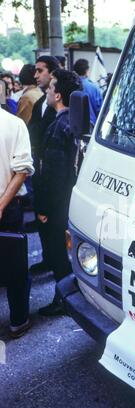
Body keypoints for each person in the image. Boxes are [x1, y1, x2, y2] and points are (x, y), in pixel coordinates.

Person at [35, 69, 82, 316]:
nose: (47, 91)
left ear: (59, 95)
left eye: (51, 87)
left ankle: (64, 300)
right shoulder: (75, 122)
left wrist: (43, 209)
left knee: (58, 257)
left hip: (56, 205)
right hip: (68, 201)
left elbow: (52, 175)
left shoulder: (58, 127)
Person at [0, 106, 34, 338]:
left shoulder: (13, 123)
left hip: (7, 206)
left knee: (15, 265)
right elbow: (21, 171)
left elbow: (22, 170)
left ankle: (18, 320)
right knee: (15, 267)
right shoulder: (14, 124)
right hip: (9, 207)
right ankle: (18, 320)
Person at [27, 55, 59, 273]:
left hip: (54, 174)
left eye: (40, 70)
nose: (36, 75)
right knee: (42, 220)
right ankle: (49, 259)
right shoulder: (40, 102)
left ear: (52, 72)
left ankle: (59, 269)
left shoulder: (64, 103)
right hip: (39, 170)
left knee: (54, 224)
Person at [73, 58, 103, 127]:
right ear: (86, 70)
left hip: (73, 126)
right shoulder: (94, 87)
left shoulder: (71, 85)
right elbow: (100, 110)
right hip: (91, 126)